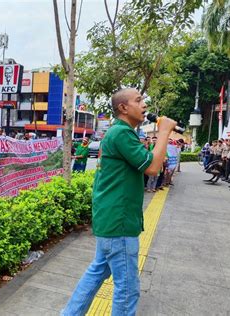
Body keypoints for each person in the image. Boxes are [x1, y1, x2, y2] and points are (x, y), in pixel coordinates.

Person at [61, 88, 176, 316]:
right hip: (119, 221)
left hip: (111, 218)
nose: (144, 104)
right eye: (138, 100)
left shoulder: (118, 132)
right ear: (123, 108)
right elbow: (153, 168)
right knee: (127, 287)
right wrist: (164, 132)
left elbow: (147, 163)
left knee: (98, 271)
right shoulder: (121, 133)